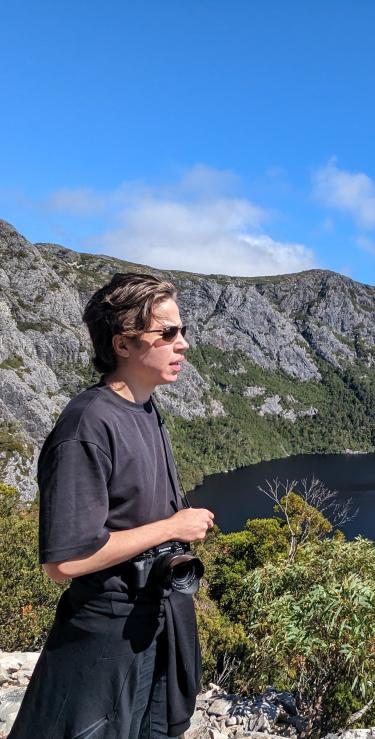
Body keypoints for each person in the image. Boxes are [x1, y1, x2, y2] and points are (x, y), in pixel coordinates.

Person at [9, 273, 215, 739]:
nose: (182, 345)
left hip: (156, 626)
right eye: (167, 333)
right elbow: (65, 561)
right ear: (123, 345)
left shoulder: (145, 408)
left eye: (182, 331)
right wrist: (171, 527)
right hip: (108, 636)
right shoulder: (87, 425)